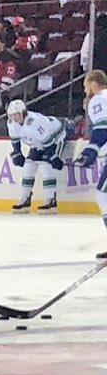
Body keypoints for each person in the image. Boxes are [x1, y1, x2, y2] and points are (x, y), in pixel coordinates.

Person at [6, 97, 67, 212]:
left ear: (23, 112)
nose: (14, 118)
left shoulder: (34, 122)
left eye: (16, 114)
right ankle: (25, 199)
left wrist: (52, 156)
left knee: (46, 167)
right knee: (28, 168)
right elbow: (15, 140)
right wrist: (17, 153)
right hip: (38, 143)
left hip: (54, 138)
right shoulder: (11, 123)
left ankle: (51, 200)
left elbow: (48, 141)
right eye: (11, 115)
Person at [79, 71, 107, 257]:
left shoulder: (98, 99)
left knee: (103, 196)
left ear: (94, 83)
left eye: (85, 85)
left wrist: (91, 150)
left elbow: (103, 128)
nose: (85, 90)